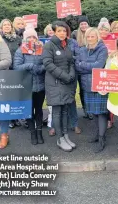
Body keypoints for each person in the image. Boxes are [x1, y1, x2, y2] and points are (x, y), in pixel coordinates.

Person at [42, 21, 76, 152]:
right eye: (59, 31)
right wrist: (65, 76)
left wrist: (71, 74)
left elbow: (71, 62)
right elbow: (48, 64)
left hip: (66, 83)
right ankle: (60, 138)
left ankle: (66, 135)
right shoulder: (49, 46)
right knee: (57, 112)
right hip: (55, 84)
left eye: (64, 31)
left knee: (65, 110)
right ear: (54, 32)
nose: (62, 33)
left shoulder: (65, 45)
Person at [75, 27, 109, 153]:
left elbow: (99, 65)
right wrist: (88, 67)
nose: (90, 39)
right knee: (93, 112)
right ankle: (96, 134)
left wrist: (83, 65)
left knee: (101, 112)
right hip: (86, 84)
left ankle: (102, 138)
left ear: (97, 37)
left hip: (99, 85)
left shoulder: (102, 49)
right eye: (88, 36)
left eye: (92, 36)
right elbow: (77, 66)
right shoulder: (82, 49)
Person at [13, 27, 46, 145]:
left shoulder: (42, 49)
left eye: (34, 37)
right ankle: (33, 133)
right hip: (26, 86)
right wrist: (30, 66)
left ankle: (39, 132)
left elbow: (46, 63)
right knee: (28, 111)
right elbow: (16, 67)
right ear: (24, 38)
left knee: (39, 110)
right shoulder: (20, 50)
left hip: (41, 85)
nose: (31, 39)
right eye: (29, 37)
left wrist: (40, 69)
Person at [0, 18, 22, 129]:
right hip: (5, 70)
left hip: (16, 69)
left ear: (12, 27)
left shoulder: (18, 38)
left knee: (15, 95)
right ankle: (8, 119)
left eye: (9, 25)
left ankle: (15, 117)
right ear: (1, 28)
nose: (7, 26)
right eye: (5, 25)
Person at [71, 16, 90, 120]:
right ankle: (85, 109)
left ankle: (89, 110)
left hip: (88, 67)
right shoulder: (74, 34)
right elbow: (72, 50)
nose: (83, 25)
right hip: (77, 66)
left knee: (86, 89)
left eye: (85, 23)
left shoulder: (92, 33)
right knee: (79, 89)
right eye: (81, 24)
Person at [98, 17, 115, 128]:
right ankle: (102, 117)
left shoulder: (114, 41)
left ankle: (110, 118)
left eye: (106, 30)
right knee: (101, 96)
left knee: (111, 96)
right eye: (101, 29)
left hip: (110, 70)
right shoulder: (96, 40)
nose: (104, 32)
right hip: (99, 70)